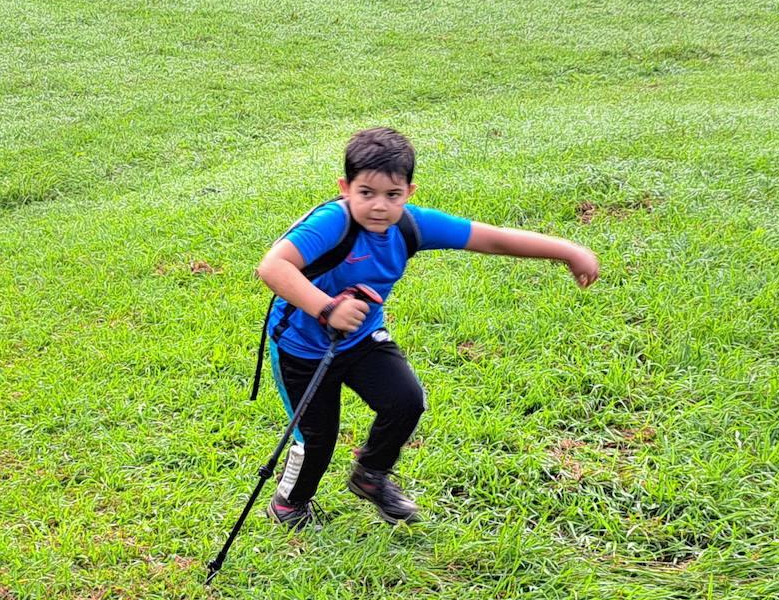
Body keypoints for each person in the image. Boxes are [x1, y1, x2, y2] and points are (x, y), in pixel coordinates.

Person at [257, 127, 600, 529]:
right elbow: (273, 266)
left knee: (406, 400)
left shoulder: (412, 226)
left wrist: (568, 251)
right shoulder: (333, 222)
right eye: (366, 193)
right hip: (301, 347)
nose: (379, 206)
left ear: (409, 192)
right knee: (318, 437)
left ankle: (370, 475)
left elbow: (492, 239)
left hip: (362, 338)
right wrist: (326, 307)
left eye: (392, 194)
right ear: (345, 189)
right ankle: (289, 503)